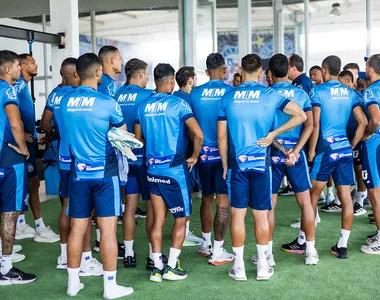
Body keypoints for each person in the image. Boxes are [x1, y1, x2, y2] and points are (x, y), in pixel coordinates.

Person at [218, 54, 307, 281]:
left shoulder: (228, 97)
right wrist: (274, 134)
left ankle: (238, 268)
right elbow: (301, 115)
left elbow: (222, 139)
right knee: (261, 215)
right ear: (260, 71)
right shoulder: (271, 95)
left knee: (238, 215)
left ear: (240, 68)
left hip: (238, 165)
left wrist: (226, 166)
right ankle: (263, 267)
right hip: (261, 165)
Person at [61, 53, 133, 298]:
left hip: (78, 173)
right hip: (105, 174)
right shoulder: (107, 102)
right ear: (99, 73)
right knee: (108, 231)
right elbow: (122, 136)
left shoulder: (65, 102)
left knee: (77, 229)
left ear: (77, 74)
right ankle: (110, 286)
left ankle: (73, 283)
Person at [134, 63, 203, 282]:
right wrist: (194, 156)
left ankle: (156, 268)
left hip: (152, 170)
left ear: (155, 80)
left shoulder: (142, 106)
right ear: (172, 80)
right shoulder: (178, 104)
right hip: (175, 172)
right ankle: (172, 267)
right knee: (181, 219)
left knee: (158, 220)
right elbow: (199, 134)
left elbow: (138, 140)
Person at [41, 58, 102, 275]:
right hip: (82, 161)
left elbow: (45, 122)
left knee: (66, 206)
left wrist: (55, 137)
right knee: (83, 210)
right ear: (76, 75)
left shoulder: (56, 96)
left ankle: (63, 255)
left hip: (64, 159)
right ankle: (85, 260)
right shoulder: (81, 98)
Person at [259, 54, 317, 265]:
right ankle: (311, 252)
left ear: (271, 73)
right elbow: (309, 125)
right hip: (296, 153)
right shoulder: (301, 93)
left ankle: (268, 256)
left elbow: (264, 130)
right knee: (306, 204)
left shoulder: (265, 94)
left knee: (270, 207)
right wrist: (295, 151)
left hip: (273, 153)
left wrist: (284, 150)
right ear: (289, 70)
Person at [307, 56, 367, 259]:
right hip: (344, 150)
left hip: (325, 149)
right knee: (345, 199)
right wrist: (351, 145)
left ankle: (310, 249)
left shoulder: (317, 91)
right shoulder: (350, 93)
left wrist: (312, 150)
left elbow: (315, 125)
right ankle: (342, 246)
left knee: (311, 198)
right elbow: (364, 122)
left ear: (324, 70)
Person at [189, 53, 234, 265]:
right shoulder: (231, 92)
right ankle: (218, 251)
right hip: (224, 155)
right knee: (222, 203)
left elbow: (191, 127)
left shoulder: (195, 93)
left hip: (203, 156)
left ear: (206, 71)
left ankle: (205, 244)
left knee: (207, 198)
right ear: (224, 69)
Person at [114, 58, 155, 269]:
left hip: (123, 161)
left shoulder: (115, 96)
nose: (148, 78)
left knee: (129, 208)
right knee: (150, 207)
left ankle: (129, 254)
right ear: (139, 74)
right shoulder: (149, 96)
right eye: (147, 74)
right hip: (144, 160)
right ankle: (152, 254)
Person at [0, 50, 36, 285]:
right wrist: (23, 148)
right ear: (6, 69)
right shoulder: (8, 89)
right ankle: (5, 268)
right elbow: (14, 121)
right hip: (10, 159)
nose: (19, 68)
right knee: (10, 212)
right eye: (16, 65)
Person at [15, 54, 59, 243]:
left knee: (31, 183)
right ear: (22, 66)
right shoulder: (15, 87)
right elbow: (10, 113)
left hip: (29, 142)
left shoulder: (23, 86)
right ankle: (23, 226)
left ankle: (27, 224)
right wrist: (22, 135)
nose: (36, 64)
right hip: (20, 144)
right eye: (32, 62)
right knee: (24, 184)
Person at [173, 66, 203, 247]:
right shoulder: (188, 100)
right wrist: (195, 154)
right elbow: (194, 132)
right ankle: (184, 232)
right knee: (187, 193)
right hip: (185, 153)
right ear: (190, 80)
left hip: (170, 154)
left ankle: (181, 230)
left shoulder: (173, 97)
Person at [337, 70, 367, 216]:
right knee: (346, 170)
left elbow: (363, 120)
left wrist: (355, 141)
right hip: (343, 139)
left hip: (355, 139)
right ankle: (339, 200)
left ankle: (360, 202)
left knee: (359, 169)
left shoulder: (356, 96)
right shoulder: (337, 95)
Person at [360, 54, 380, 254]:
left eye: (366, 66)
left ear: (371, 69)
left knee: (375, 192)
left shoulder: (371, 91)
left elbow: (375, 119)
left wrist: (367, 134)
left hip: (375, 144)